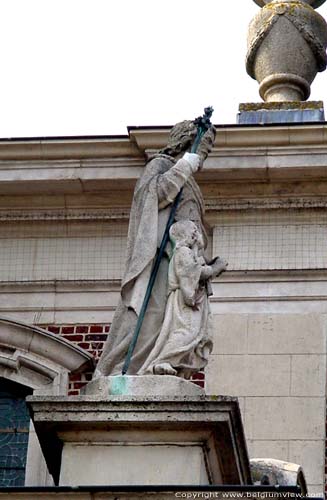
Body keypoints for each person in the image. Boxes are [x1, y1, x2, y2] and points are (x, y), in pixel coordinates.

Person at [94, 120, 216, 377]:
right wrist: (183, 166)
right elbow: (153, 195)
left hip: (181, 259)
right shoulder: (160, 164)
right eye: (204, 146)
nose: (204, 154)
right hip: (160, 259)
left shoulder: (192, 182)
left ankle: (159, 361)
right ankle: (127, 367)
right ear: (186, 142)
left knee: (174, 319)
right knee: (153, 314)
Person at [138, 220, 227, 378]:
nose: (200, 235)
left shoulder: (190, 254)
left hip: (194, 301)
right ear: (192, 235)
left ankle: (181, 366)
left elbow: (197, 268)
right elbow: (193, 273)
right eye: (196, 232)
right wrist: (215, 268)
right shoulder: (183, 252)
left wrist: (210, 266)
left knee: (197, 334)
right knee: (187, 332)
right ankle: (161, 361)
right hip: (184, 302)